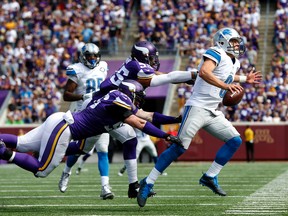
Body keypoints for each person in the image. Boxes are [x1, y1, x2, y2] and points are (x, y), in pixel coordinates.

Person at [137, 27, 262, 207]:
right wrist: (226, 87)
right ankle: (148, 182)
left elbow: (226, 75)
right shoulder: (216, 52)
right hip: (197, 107)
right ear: (222, 41)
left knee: (235, 140)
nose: (237, 45)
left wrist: (243, 79)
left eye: (237, 42)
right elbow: (205, 72)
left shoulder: (234, 62)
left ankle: (209, 176)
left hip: (212, 111)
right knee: (179, 148)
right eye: (233, 41)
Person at [78, 40, 198, 198]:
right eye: (151, 57)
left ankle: (133, 186)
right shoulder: (136, 69)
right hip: (102, 108)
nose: (154, 60)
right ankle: (55, 156)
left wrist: (175, 118)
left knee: (130, 139)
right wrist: (191, 74)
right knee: (81, 148)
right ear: (143, 57)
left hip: (109, 105)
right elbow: (164, 80)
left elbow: (148, 112)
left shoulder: (133, 65)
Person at [0, 80, 182, 181]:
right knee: (41, 170)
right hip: (65, 128)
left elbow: (148, 116)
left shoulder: (114, 97)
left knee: (21, 144)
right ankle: (3, 151)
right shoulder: (120, 101)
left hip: (60, 120)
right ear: (131, 94)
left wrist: (173, 120)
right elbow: (140, 123)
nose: (139, 100)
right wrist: (165, 134)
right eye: (138, 96)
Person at [56, 43, 114, 200]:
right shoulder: (77, 69)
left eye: (95, 55)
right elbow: (66, 95)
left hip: (101, 112)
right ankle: (66, 172)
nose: (93, 58)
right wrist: (83, 96)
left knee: (103, 150)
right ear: (83, 57)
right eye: (89, 56)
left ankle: (105, 187)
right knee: (80, 150)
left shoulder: (103, 66)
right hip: (83, 115)